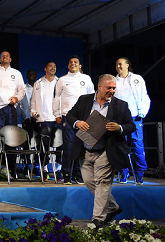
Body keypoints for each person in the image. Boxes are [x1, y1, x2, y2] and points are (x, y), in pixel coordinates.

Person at [66, 74, 136, 228]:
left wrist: (119, 128)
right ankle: (113, 207)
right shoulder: (84, 100)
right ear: (99, 87)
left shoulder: (121, 105)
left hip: (106, 151)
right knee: (90, 182)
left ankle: (98, 219)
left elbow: (131, 125)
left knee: (103, 183)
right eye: (109, 88)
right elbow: (70, 115)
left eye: (114, 88)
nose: (112, 91)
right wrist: (77, 123)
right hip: (85, 150)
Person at [0, 50, 26, 180]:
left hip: (11, 109)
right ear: (0, 58)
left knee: (11, 139)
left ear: (11, 59)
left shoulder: (16, 73)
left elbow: (22, 90)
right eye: (2, 55)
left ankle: (7, 169)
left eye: (7, 55)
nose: (5, 56)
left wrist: (17, 98)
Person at [53, 55, 94, 184]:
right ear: (68, 65)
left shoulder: (86, 78)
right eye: (70, 62)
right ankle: (66, 174)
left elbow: (92, 96)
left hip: (84, 117)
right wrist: (57, 114)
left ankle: (78, 174)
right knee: (69, 145)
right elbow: (56, 97)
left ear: (80, 65)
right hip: (68, 116)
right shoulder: (62, 80)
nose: (73, 64)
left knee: (82, 146)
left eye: (75, 62)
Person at [114, 57, 151, 184]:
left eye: (120, 64)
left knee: (137, 145)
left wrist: (142, 112)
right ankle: (124, 173)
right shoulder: (114, 81)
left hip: (135, 117)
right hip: (120, 119)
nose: (118, 66)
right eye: (116, 64)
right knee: (120, 146)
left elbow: (145, 96)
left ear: (127, 65)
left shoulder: (137, 79)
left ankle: (139, 173)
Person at [30, 61, 61, 179]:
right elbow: (33, 102)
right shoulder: (38, 83)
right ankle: (44, 169)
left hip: (57, 119)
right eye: (50, 66)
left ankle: (59, 168)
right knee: (43, 146)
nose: (53, 68)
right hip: (43, 120)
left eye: (54, 66)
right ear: (45, 69)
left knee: (59, 146)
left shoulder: (60, 82)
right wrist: (35, 114)